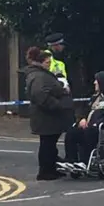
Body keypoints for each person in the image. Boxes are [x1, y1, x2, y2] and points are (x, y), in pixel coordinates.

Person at [25, 47, 75, 180]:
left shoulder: (41, 74)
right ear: (40, 62)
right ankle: (45, 172)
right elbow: (40, 95)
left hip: (48, 118)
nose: (49, 64)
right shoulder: (39, 76)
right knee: (47, 144)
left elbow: (49, 88)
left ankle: (52, 169)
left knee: (50, 144)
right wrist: (57, 105)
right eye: (47, 62)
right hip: (46, 117)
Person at [62, 70, 104, 170]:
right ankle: (70, 160)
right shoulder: (95, 97)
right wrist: (82, 119)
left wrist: (97, 123)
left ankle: (84, 162)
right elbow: (85, 111)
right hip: (90, 127)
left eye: (97, 81)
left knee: (89, 132)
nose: (94, 83)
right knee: (71, 132)